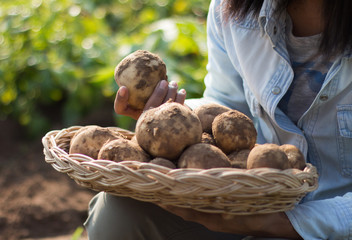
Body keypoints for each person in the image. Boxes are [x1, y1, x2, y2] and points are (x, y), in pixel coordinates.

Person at [84, 0, 352, 239]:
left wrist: (289, 225)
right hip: (254, 197)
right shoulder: (235, 10)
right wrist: (170, 118)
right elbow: (229, 108)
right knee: (119, 213)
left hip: (337, 220)